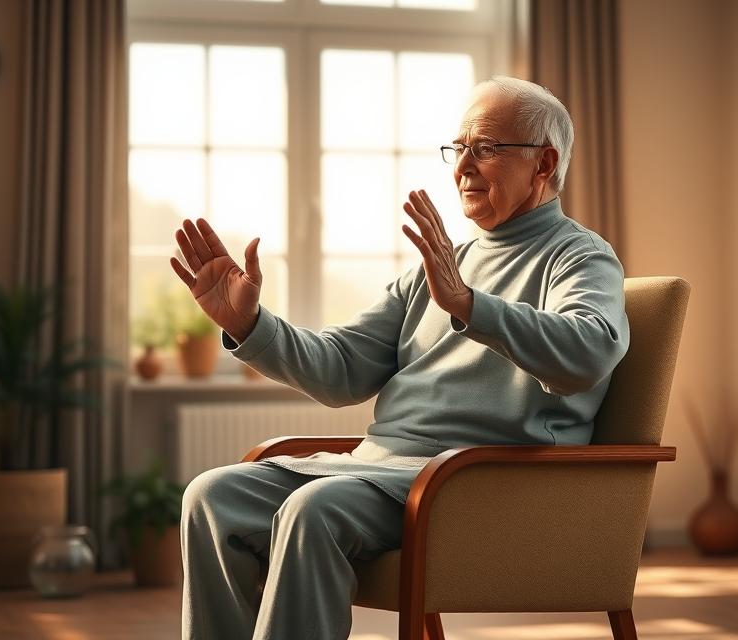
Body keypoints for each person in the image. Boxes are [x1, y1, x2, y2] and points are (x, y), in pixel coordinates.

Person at [171, 75, 630, 640]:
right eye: (458, 148)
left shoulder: (580, 256)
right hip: (384, 474)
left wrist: (468, 305)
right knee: (212, 496)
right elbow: (341, 370)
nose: (464, 167)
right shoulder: (441, 265)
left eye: (486, 148)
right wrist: (249, 325)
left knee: (316, 509)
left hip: (477, 484)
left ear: (544, 162)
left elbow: (589, 352)